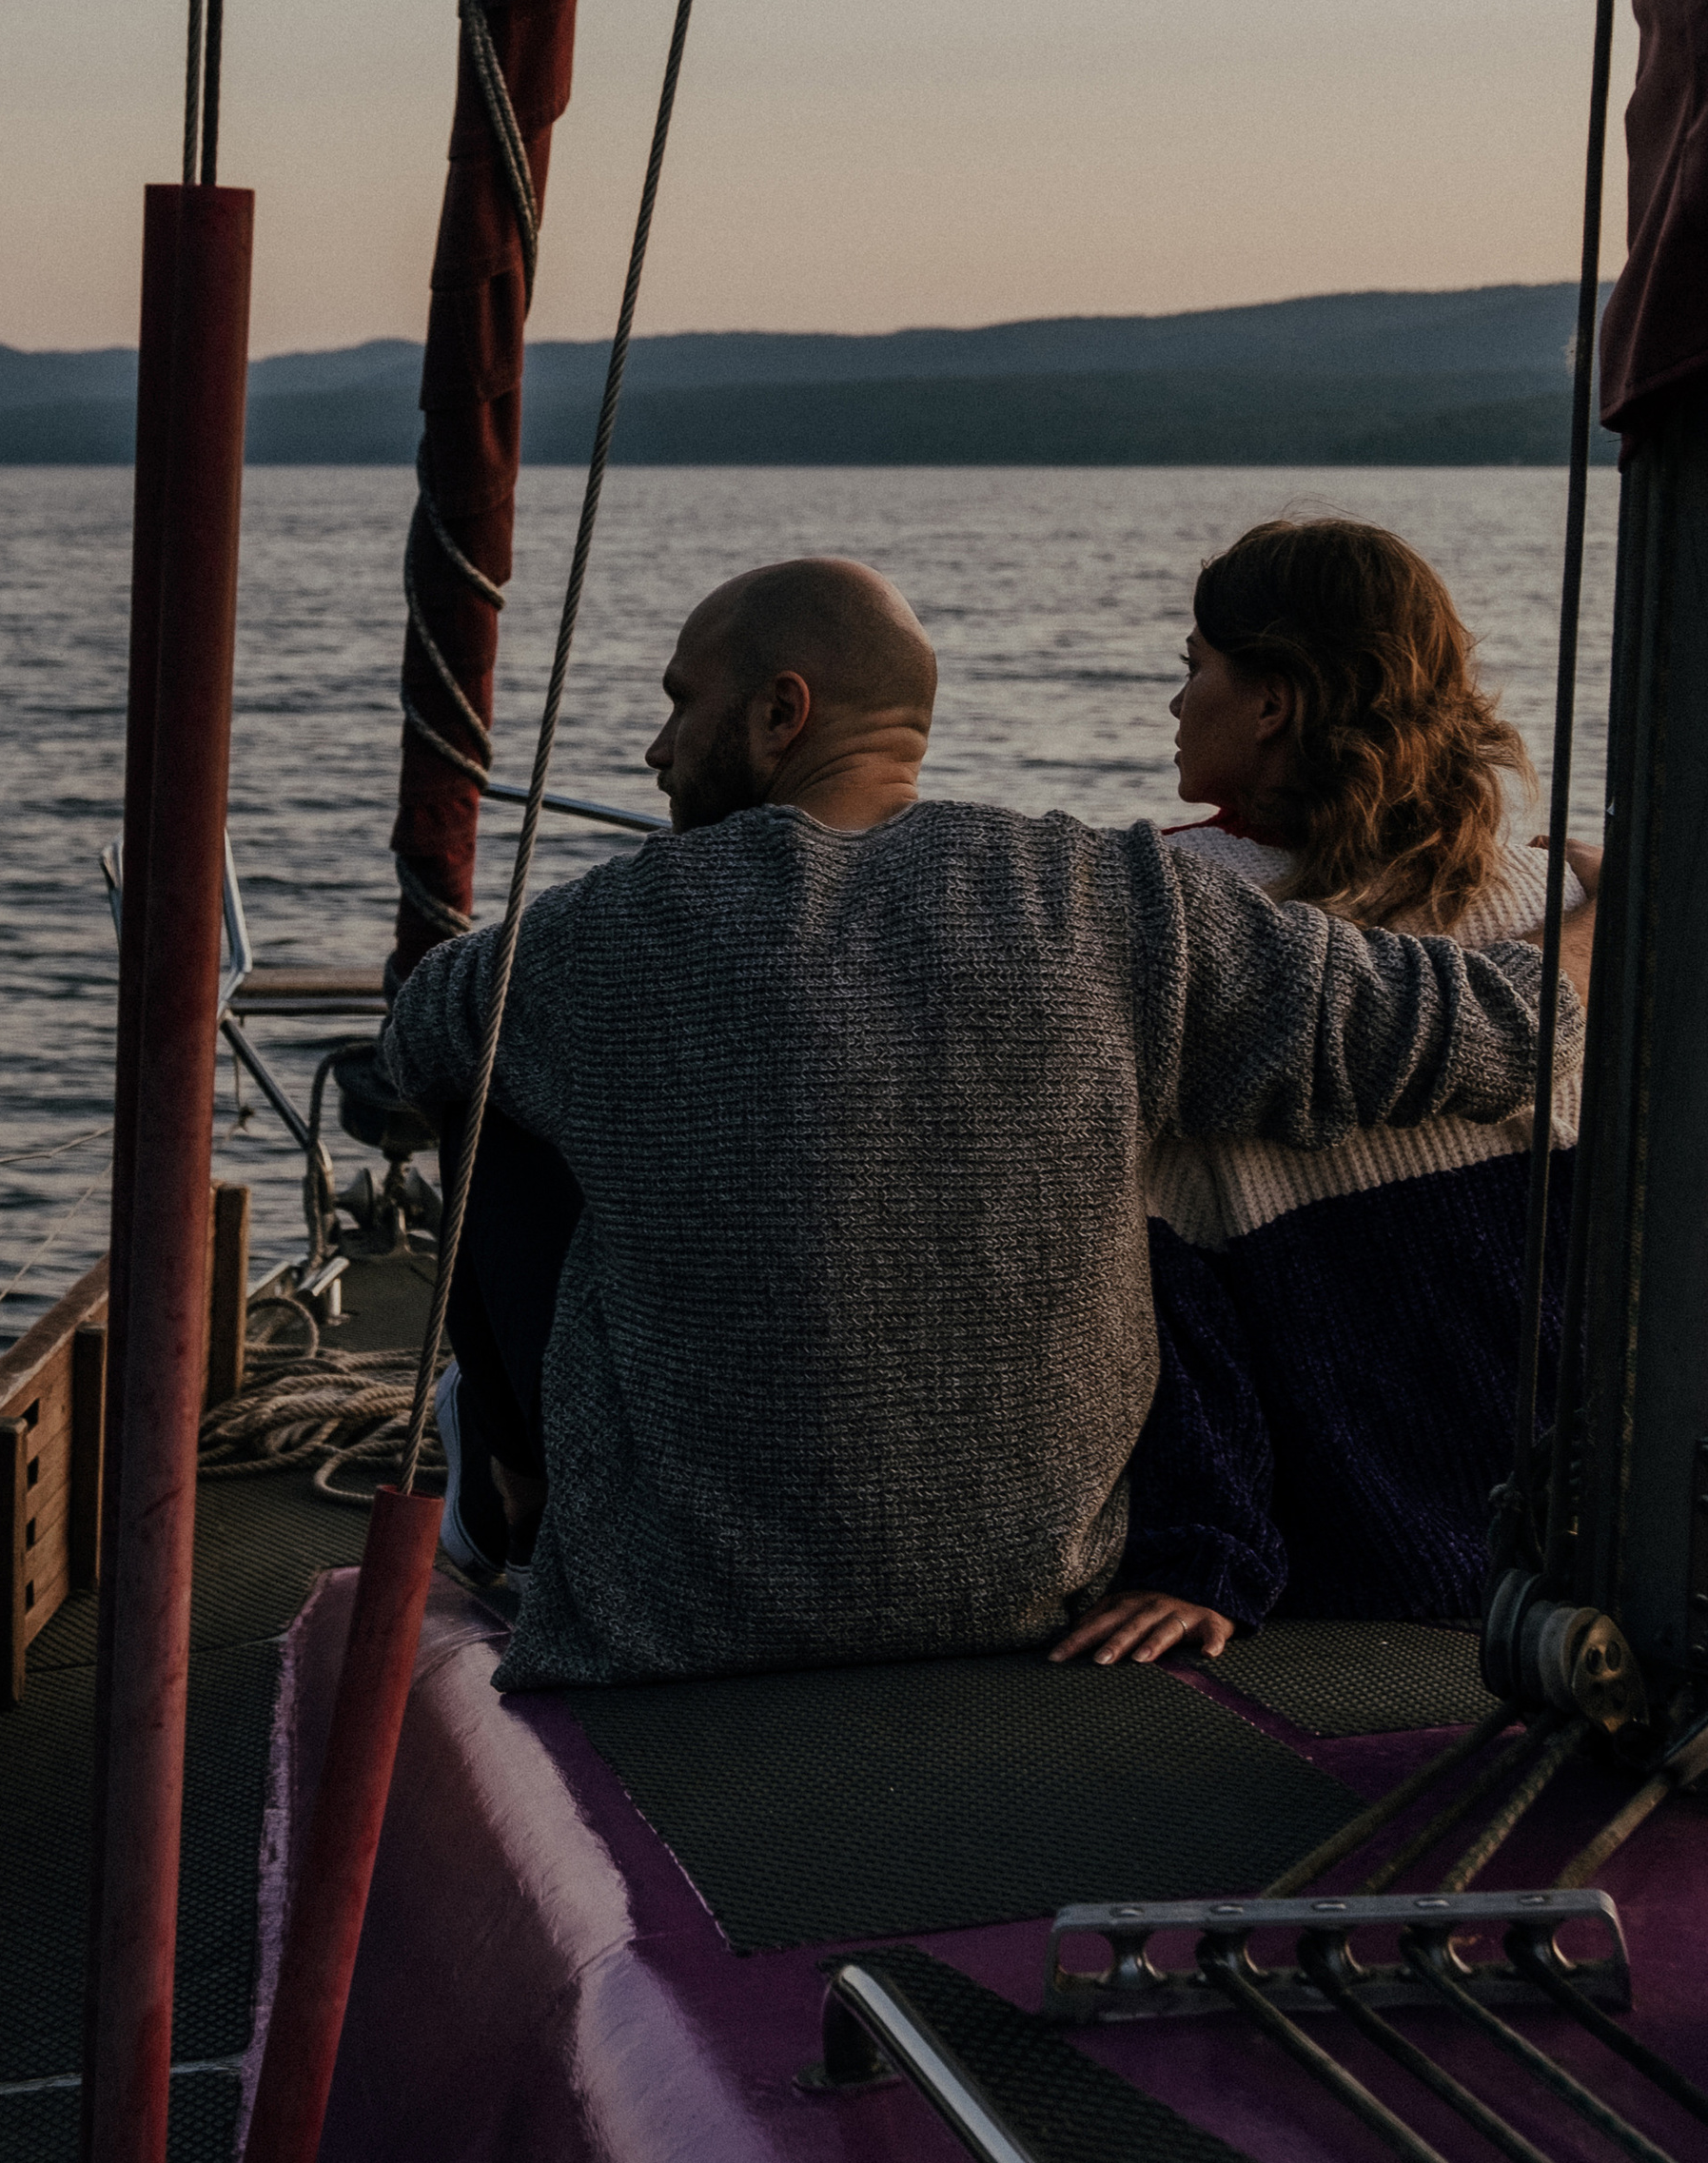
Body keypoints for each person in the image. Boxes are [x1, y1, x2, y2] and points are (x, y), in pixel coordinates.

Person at [377, 552, 1588, 1694]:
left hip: (665, 1613)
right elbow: (1498, 1030)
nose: (655, 748)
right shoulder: (1118, 898)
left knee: (492, 1081)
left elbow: (415, 1041)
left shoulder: (594, 937)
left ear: (780, 714)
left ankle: (514, 1482)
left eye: (678, 704)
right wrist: (1609, 915)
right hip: (1042, 1597)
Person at [1051, 516, 1594, 1672]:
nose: (1175, 702)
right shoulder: (1551, 897)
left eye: (1194, 666)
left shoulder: (1174, 911)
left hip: (1354, 1546)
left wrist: (1201, 1553)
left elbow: (1160, 1284)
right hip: (1575, 1541)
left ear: (1272, 703)